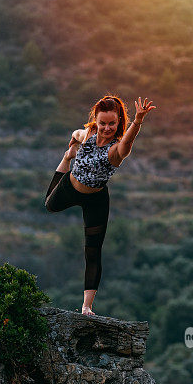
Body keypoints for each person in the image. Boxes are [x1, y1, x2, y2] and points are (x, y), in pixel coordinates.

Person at [44, 94, 156, 315]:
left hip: (96, 198)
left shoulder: (116, 150)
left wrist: (138, 121)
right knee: (49, 205)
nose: (106, 128)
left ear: (119, 122)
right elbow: (77, 132)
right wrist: (74, 143)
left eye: (112, 123)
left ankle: (86, 306)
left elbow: (128, 143)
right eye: (102, 123)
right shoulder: (88, 134)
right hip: (69, 186)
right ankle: (67, 158)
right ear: (96, 120)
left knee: (93, 250)